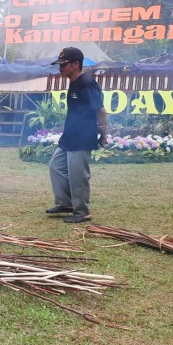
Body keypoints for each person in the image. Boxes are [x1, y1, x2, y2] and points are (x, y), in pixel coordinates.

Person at [47, 47, 108, 223]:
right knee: (56, 167)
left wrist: (103, 134)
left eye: (63, 64)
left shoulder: (86, 83)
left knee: (78, 175)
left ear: (75, 64)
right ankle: (65, 203)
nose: (60, 68)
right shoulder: (74, 82)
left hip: (82, 137)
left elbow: (101, 111)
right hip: (70, 136)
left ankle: (82, 212)